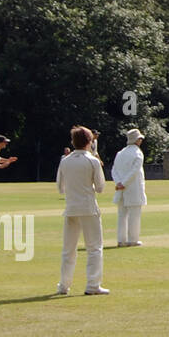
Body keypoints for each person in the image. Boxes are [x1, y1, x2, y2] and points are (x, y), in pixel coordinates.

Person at [56, 125, 109, 295]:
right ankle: (93, 285)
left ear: (73, 142)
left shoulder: (65, 161)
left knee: (68, 250)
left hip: (71, 208)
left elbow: (60, 188)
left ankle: (63, 286)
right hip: (88, 208)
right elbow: (101, 187)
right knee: (94, 248)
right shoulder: (92, 160)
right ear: (89, 142)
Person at [112, 128, 147, 246]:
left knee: (122, 215)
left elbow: (114, 170)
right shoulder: (137, 153)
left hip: (121, 188)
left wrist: (119, 183)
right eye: (140, 139)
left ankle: (121, 240)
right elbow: (134, 170)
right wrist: (123, 183)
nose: (141, 141)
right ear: (136, 140)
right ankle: (133, 240)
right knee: (134, 215)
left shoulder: (120, 153)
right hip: (133, 188)